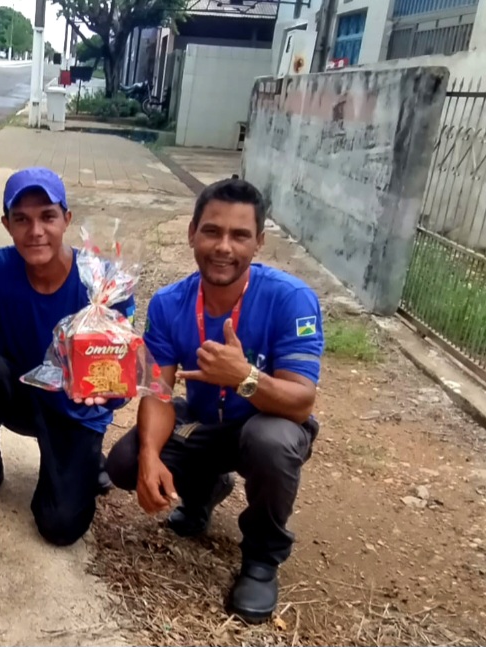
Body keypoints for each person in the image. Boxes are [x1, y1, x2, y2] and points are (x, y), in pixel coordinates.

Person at [104, 178, 324, 624]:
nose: (224, 247)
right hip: (205, 422)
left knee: (272, 441)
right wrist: (149, 456)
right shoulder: (168, 304)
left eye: (240, 235)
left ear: (259, 242)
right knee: (125, 461)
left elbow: (301, 402)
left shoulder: (291, 299)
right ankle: (204, 493)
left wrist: (244, 378)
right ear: (192, 233)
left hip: (269, 421)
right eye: (212, 231)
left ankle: (262, 559)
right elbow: (158, 391)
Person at [0, 167, 133, 547]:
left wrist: (106, 391)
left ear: (67, 219)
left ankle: (83, 456)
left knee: (60, 527)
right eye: (22, 219)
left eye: (48, 216)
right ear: (7, 225)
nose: (35, 231)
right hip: (23, 395)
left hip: (75, 409)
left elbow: (120, 388)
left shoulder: (102, 282)